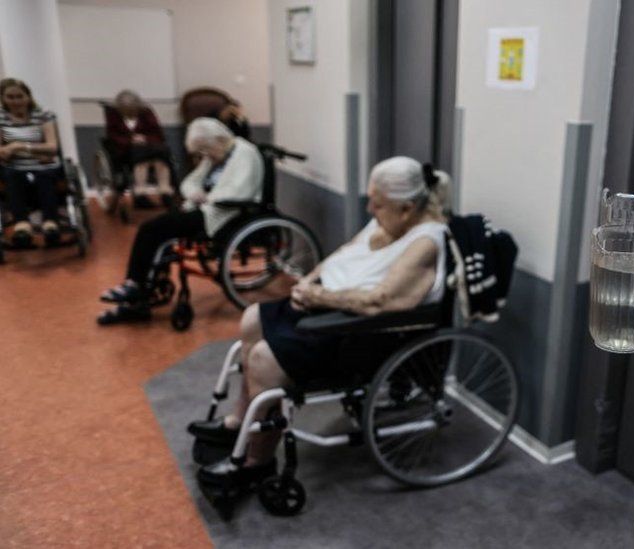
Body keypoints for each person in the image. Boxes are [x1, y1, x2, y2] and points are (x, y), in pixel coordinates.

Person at [187, 157, 450, 488]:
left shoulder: (425, 241)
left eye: (377, 203)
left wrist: (317, 297)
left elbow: (379, 301)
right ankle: (241, 422)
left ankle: (257, 461)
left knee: (262, 359)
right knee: (253, 317)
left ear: (408, 208)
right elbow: (343, 253)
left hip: (359, 333)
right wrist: (307, 282)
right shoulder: (390, 221)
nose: (369, 208)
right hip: (327, 310)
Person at [97, 118, 263, 325]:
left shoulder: (245, 154)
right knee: (158, 232)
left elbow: (241, 191)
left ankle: (136, 287)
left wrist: (207, 198)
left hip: (225, 216)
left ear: (218, 140)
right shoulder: (217, 153)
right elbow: (190, 183)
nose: (204, 157)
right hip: (205, 209)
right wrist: (195, 193)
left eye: (204, 150)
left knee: (153, 229)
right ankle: (140, 293)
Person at [0, 78, 63, 247]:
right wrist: (9, 151)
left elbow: (52, 147)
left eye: (19, 96)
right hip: (14, 166)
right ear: (3, 99)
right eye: (10, 97)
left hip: (43, 164)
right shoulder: (1, 118)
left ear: (28, 97)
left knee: (45, 175)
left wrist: (19, 146)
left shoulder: (44, 115)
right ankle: (22, 225)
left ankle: (50, 223)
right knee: (12, 176)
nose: (16, 101)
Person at [105, 90, 174, 208]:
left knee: (161, 156)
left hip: (150, 147)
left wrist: (145, 138)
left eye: (132, 109)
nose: (129, 112)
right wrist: (130, 140)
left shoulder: (146, 112)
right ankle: (140, 193)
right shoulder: (113, 115)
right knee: (142, 155)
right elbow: (113, 136)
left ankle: (165, 191)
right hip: (126, 151)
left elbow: (158, 133)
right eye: (126, 109)